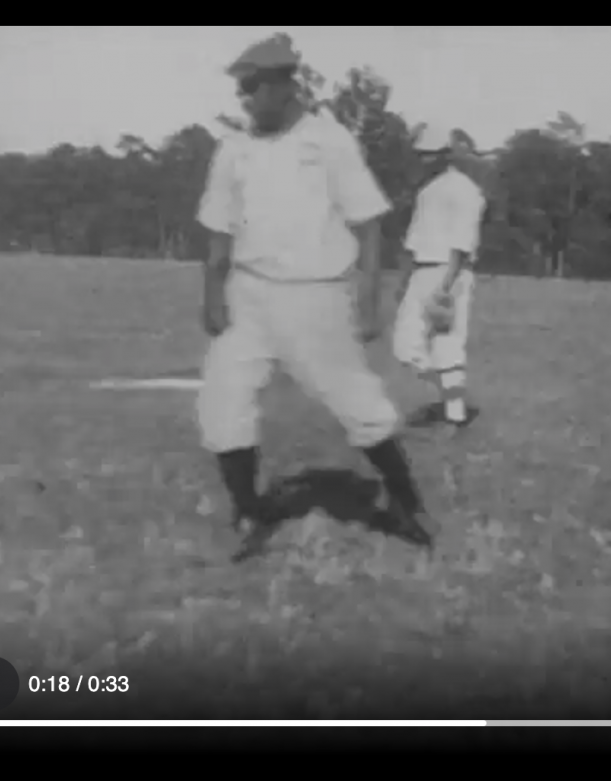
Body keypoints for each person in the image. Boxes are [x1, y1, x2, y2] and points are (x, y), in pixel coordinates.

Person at [195, 35, 435, 549]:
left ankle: (405, 503)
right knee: (224, 399)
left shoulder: (329, 141)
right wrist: (212, 294)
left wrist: (369, 303)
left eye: (253, 86)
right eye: (242, 88)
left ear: (284, 85)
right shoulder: (232, 149)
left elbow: (369, 225)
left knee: (357, 402)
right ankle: (249, 513)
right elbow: (218, 228)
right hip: (248, 294)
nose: (245, 97)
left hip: (315, 296)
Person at [393, 123, 486, 429]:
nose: (423, 161)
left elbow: (463, 241)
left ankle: (455, 414)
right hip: (423, 271)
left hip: (449, 272)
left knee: (447, 343)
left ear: (445, 155)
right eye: (420, 155)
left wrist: (447, 285)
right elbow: (413, 241)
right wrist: (405, 282)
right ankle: (451, 398)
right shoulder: (426, 191)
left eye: (429, 155)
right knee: (406, 345)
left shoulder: (465, 189)